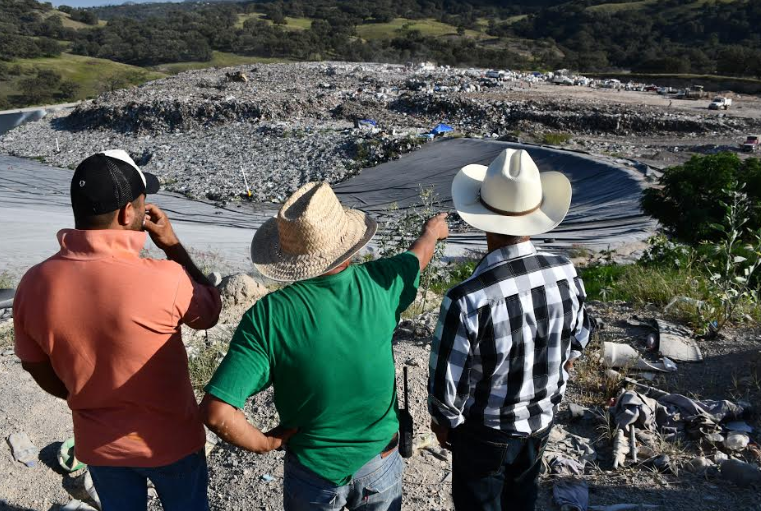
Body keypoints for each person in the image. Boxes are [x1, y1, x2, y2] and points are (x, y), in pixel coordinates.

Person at [200, 182, 448, 511]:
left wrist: (264, 443)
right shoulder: (381, 281)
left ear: (287, 254)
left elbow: (217, 413)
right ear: (346, 241)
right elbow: (418, 256)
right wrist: (431, 232)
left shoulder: (269, 316)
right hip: (381, 461)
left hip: (312, 474)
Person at [13, 150, 222, 511]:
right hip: (170, 443)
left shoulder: (33, 283)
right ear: (128, 213)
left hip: (99, 445)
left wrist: (77, 394)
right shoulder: (166, 278)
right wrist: (172, 245)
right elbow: (209, 312)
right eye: (143, 203)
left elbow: (34, 364)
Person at [427, 149, 593, 511]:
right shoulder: (565, 271)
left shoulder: (467, 298)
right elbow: (581, 335)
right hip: (542, 421)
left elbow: (446, 385)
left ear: (482, 218)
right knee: (523, 498)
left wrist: (445, 423)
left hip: (485, 432)